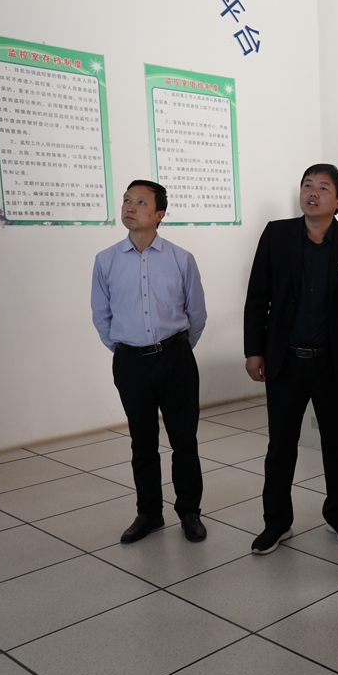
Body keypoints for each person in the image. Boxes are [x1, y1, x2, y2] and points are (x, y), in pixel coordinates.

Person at [243, 164, 338, 555]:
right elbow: (257, 297)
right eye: (307, 185)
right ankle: (276, 523)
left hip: (334, 363)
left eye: (323, 188)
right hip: (285, 360)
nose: (312, 193)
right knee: (280, 446)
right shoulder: (277, 234)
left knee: (336, 444)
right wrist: (254, 350)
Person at [91, 180, 208, 544]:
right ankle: (149, 513)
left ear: (159, 214)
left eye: (141, 202)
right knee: (142, 441)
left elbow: (197, 314)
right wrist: (127, 351)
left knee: (183, 440)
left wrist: (175, 349)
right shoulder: (106, 260)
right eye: (127, 200)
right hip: (130, 362)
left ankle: (189, 512)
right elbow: (101, 316)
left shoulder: (181, 258)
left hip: (175, 358)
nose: (130, 206)